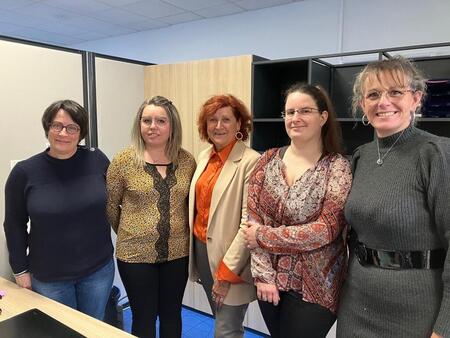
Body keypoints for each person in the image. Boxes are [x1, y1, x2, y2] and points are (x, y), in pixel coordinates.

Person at [337, 56, 450, 338]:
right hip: (357, 303)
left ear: (416, 98)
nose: (383, 102)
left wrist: (445, 326)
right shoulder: (361, 156)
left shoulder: (436, 154)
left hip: (415, 310)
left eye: (395, 92)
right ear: (363, 105)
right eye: (373, 94)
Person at [244, 84, 352, 338]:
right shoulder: (266, 161)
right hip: (270, 282)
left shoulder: (337, 168)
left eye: (305, 111)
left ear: (323, 117)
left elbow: (325, 230)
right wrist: (263, 276)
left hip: (317, 286)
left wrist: (264, 236)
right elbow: (252, 219)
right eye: (290, 112)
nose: (295, 118)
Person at [3, 99, 114, 320]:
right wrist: (20, 271)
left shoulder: (97, 159)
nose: (63, 133)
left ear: (80, 133)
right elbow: (14, 224)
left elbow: (116, 200)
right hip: (50, 277)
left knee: (94, 327)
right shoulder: (25, 172)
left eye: (72, 127)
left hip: (98, 270)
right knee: (61, 331)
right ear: (47, 128)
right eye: (57, 126)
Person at [106, 96, 196, 338]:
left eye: (160, 121)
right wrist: (133, 232)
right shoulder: (124, 161)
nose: (152, 126)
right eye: (146, 120)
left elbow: (190, 206)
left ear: (172, 126)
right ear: (139, 124)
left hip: (178, 252)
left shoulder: (187, 161)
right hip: (134, 255)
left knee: (171, 315)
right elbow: (112, 207)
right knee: (143, 317)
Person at [188, 94, 260, 338]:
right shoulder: (204, 156)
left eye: (226, 119)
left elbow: (248, 222)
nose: (218, 126)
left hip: (231, 260)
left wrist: (227, 271)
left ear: (239, 124)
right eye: (212, 120)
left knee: (226, 330)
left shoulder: (251, 161)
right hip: (202, 250)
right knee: (219, 318)